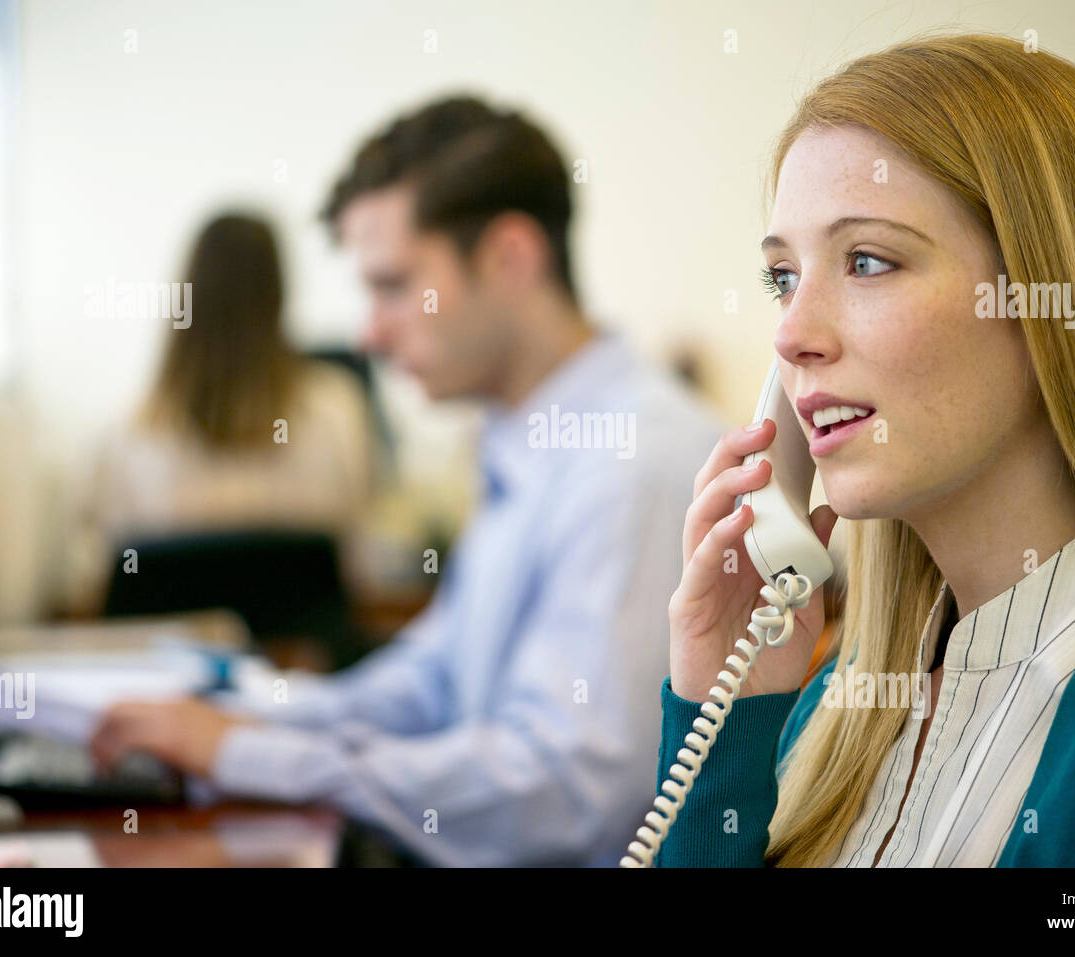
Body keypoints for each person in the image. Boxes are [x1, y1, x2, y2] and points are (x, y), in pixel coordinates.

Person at [89, 96, 722, 867]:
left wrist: (257, 755)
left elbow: (566, 791)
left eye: (392, 286)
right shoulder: (524, 439)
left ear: (509, 258)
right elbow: (431, 683)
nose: (369, 331)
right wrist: (244, 716)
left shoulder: (634, 465)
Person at [650, 34, 1075, 867]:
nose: (791, 334)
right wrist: (724, 711)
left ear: (1054, 305)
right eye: (784, 277)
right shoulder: (831, 702)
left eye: (867, 261)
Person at [66, 212, 378, 615]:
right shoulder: (337, 413)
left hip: (164, 670)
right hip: (300, 667)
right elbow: (358, 567)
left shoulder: (124, 438)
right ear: (280, 294)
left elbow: (91, 583)